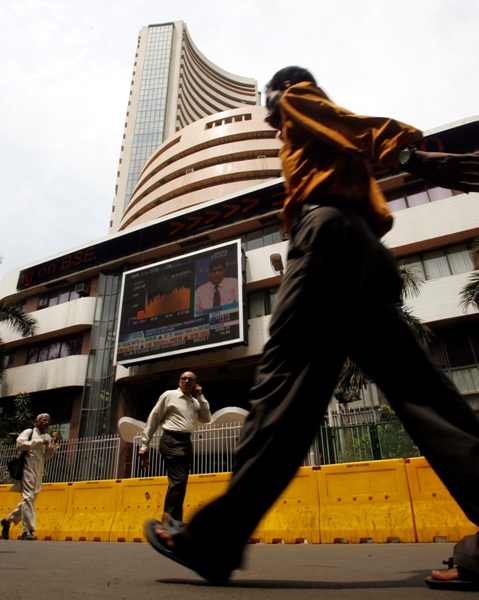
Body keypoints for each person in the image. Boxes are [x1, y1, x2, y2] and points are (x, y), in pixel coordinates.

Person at [144, 66, 479, 588]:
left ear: (279, 92)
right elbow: (350, 135)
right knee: (426, 397)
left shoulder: (299, 100)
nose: (270, 115)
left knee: (284, 393)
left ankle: (212, 542)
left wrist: (412, 156)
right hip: (364, 255)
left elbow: (354, 125)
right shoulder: (317, 146)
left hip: (328, 242)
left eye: (267, 100)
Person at [138, 371, 211, 523]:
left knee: (181, 483)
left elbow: (206, 418)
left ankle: (174, 520)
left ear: (195, 385)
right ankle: (169, 521)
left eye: (190, 380)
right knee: (178, 481)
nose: (186, 381)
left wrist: (201, 397)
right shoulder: (169, 395)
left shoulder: (195, 402)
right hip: (171, 440)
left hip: (186, 443)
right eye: (183, 379)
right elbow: (154, 418)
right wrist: (144, 445)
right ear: (179, 382)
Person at [1, 413, 60, 541]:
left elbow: (46, 455)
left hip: (38, 470)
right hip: (27, 467)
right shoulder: (29, 432)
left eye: (48, 421)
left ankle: (7, 520)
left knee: (29, 500)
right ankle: (27, 530)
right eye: (43, 420)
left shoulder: (47, 437)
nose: (46, 423)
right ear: (37, 421)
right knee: (28, 497)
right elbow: (20, 444)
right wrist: (38, 442)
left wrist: (53, 444)